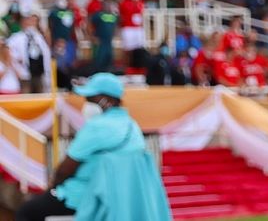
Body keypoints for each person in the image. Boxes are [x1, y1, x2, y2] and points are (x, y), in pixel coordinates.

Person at [18, 73, 172, 220]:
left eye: (91, 99)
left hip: (88, 196)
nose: (87, 104)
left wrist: (51, 187)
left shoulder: (96, 127)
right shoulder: (132, 126)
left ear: (108, 100)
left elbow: (66, 168)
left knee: (27, 211)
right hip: (124, 200)